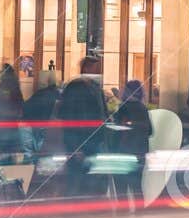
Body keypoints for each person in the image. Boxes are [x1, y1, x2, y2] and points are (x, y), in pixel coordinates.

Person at [55, 58, 109, 194]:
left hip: (91, 138)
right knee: (77, 175)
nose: (99, 72)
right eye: (96, 69)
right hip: (80, 139)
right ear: (87, 69)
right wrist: (75, 146)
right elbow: (67, 115)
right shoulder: (78, 87)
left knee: (86, 175)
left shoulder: (95, 88)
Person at [108, 78, 153, 203]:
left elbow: (118, 131)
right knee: (137, 186)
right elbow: (150, 131)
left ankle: (124, 213)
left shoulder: (123, 108)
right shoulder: (143, 108)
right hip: (140, 152)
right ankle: (140, 214)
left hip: (123, 152)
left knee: (122, 187)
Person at [20, 69, 60, 161]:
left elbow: (26, 107)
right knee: (44, 151)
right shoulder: (57, 94)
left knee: (34, 150)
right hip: (48, 126)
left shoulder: (40, 94)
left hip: (37, 124)